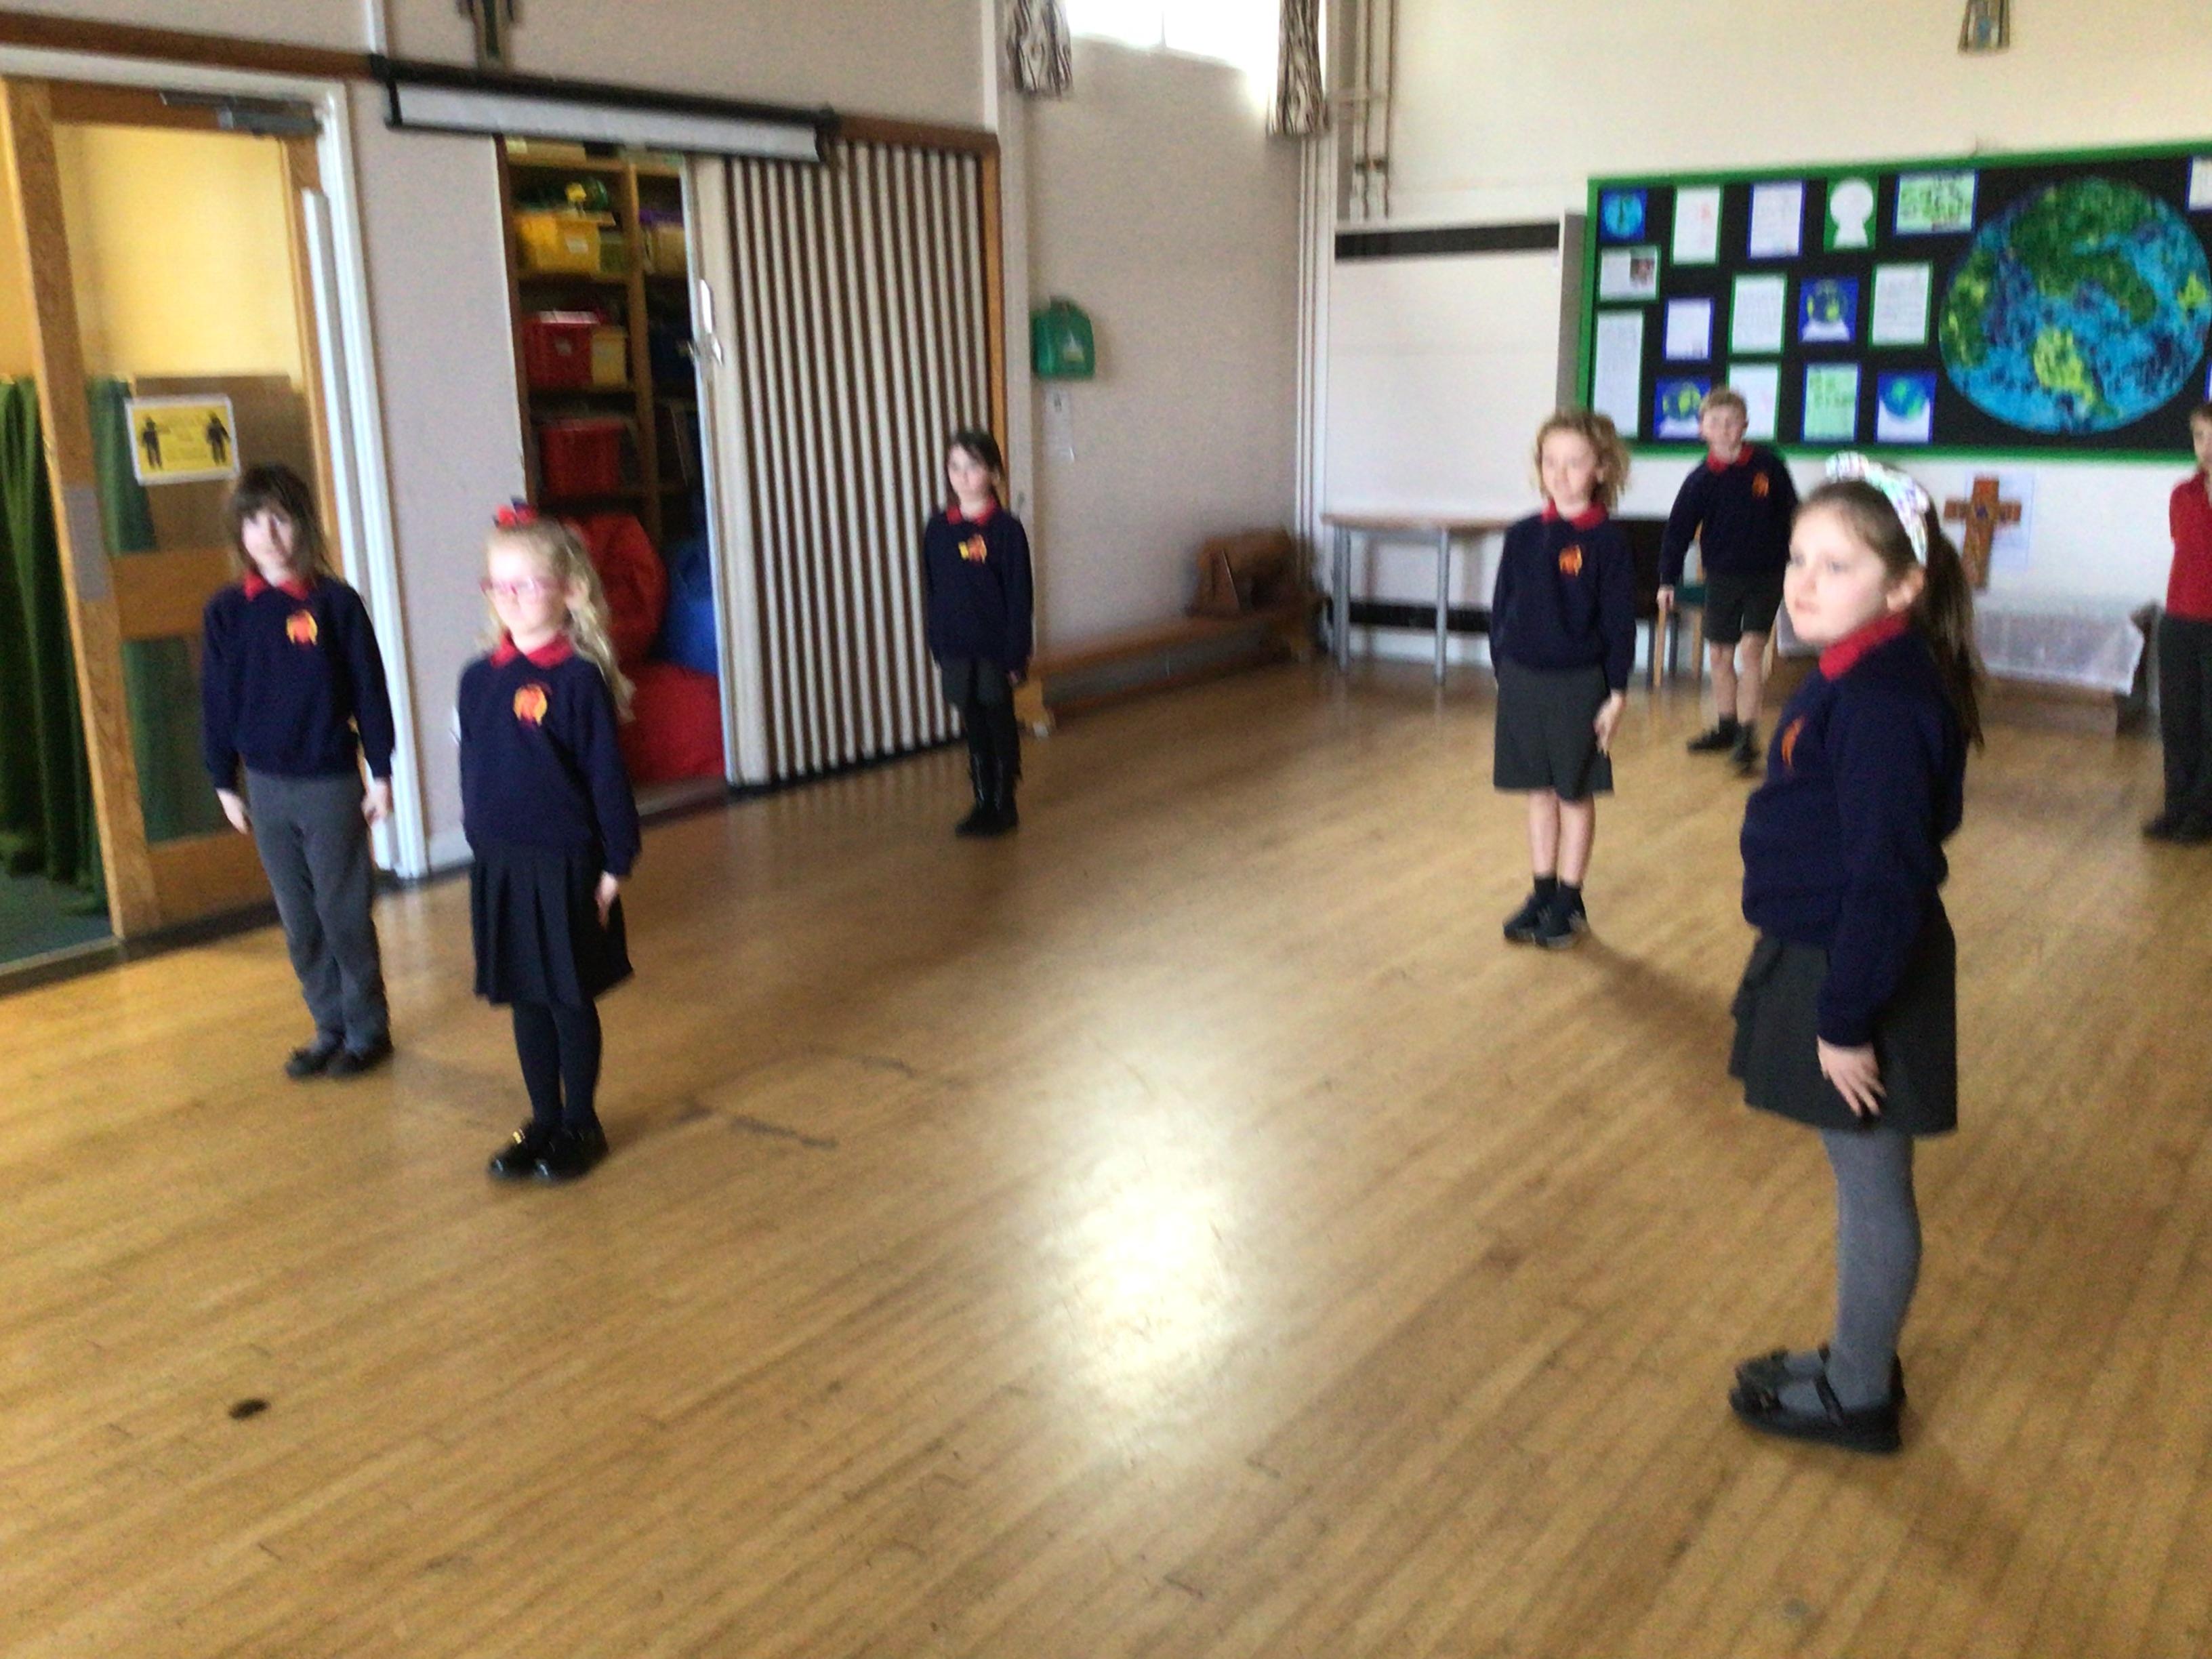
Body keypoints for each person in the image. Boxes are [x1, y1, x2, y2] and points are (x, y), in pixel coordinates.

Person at [1727, 453, 1982, 1454]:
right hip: (1839, 953)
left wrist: (1843, 1020)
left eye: (1836, 566)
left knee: (1872, 1188)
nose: (1803, 582)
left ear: (1905, 586)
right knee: (1859, 1179)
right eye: (1799, 558)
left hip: (1857, 969)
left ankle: (1859, 1393)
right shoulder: (1858, 672)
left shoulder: (1881, 701)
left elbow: (1887, 878)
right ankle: (1853, 1356)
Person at [460, 507, 640, 1184]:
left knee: (567, 998)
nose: (510, 598)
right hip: (502, 865)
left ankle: (581, 1123)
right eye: (499, 585)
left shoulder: (577, 680)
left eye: (527, 584)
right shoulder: (478, 679)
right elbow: (475, 770)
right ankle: (542, 1119)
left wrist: (614, 864)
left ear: (570, 590)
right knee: (526, 998)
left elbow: (606, 779)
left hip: (565, 866)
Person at [201, 464, 396, 1079]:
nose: (269, 534)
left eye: (281, 519)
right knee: (300, 919)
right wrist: (223, 781)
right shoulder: (228, 612)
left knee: (344, 912)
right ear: (240, 533)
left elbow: (370, 691)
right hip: (265, 788)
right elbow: (217, 701)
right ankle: (328, 1025)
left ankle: (367, 1029)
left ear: (303, 525)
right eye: (255, 522)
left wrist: (382, 772)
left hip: (330, 784)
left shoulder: (336, 604)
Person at [1492, 409, 1637, 948]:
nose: (1560, 473)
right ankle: (1543, 890)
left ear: (1601, 468)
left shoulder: (1609, 543)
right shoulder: (1523, 535)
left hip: (1579, 685)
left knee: (1573, 792)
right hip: (1523, 680)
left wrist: (1616, 692)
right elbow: (1503, 606)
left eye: (1574, 462)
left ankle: (1571, 899)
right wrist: (1503, 664)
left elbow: (1619, 623)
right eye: (1550, 461)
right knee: (1539, 791)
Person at [1660, 388, 1800, 772]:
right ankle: (1726, 726)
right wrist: (1667, 580)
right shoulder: (1700, 480)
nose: (1724, 429)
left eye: (1732, 422)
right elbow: (1678, 532)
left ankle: (1748, 735)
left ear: (1745, 426)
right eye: (1715, 423)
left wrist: (1803, 560)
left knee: (1751, 651)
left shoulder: (1768, 466)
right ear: (1702, 429)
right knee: (1720, 655)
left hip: (1766, 574)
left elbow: (1794, 513)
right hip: (1722, 577)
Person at [920, 429, 1033, 837]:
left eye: (972, 467)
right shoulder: (938, 529)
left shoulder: (1006, 530)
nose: (962, 476)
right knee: (973, 721)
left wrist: (1016, 654)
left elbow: (1020, 596)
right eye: (955, 467)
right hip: (955, 646)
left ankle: (1004, 803)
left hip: (994, 648)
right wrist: (937, 641)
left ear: (994, 474)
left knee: (998, 718)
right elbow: (933, 590)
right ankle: (982, 800)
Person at [2146, 401, 2212, 843]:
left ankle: (2203, 816)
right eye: (2200, 437)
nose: (2207, 447)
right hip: (2180, 620)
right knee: (2178, 721)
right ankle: (2177, 807)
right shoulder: (2182, 495)